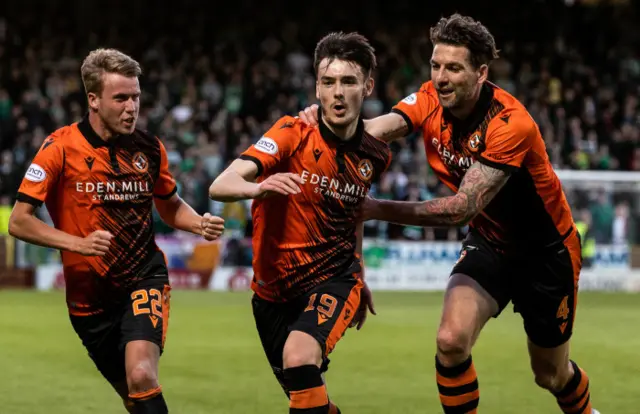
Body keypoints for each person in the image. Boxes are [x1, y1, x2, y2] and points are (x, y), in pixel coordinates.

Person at [299, 14, 598, 414]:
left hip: (546, 255)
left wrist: (374, 208)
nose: (441, 77)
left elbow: (460, 208)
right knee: (451, 340)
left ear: (481, 73)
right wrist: (320, 126)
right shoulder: (428, 98)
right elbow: (373, 128)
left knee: (550, 375)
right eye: (436, 66)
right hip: (490, 242)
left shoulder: (512, 125)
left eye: (453, 68)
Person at [9, 48, 225, 414]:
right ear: (93, 100)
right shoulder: (59, 149)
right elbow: (19, 221)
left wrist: (198, 222)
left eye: (136, 97)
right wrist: (78, 243)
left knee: (142, 374)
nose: (131, 107)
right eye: (120, 98)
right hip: (88, 299)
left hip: (142, 278)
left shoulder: (148, 149)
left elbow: (169, 205)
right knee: (134, 397)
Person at [209, 32, 391, 414]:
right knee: (308, 398)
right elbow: (220, 185)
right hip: (271, 293)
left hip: (333, 278)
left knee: (298, 357)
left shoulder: (374, 154)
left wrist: (359, 272)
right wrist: (258, 189)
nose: (337, 93)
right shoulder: (293, 133)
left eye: (348, 81)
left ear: (368, 86)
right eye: (328, 82)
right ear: (317, 88)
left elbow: (352, 212)